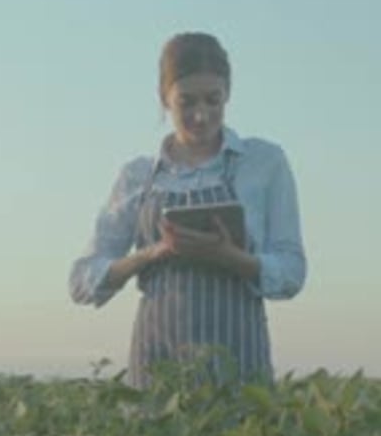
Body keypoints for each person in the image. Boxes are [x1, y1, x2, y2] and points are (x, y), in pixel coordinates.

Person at [69, 32, 307, 389]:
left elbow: (292, 272)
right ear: (164, 99)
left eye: (214, 100)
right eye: (186, 102)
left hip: (240, 361)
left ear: (228, 93)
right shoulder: (137, 175)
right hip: (157, 363)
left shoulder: (264, 162)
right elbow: (82, 280)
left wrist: (230, 257)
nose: (201, 115)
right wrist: (150, 254)